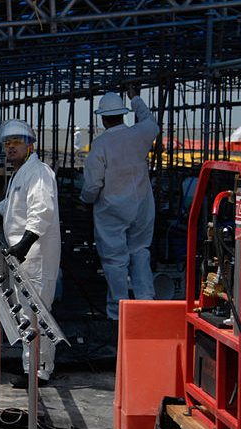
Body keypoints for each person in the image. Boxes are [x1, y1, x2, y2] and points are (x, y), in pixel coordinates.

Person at [80, 87, 159, 320]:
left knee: (115, 260)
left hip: (112, 211)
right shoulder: (140, 134)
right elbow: (150, 121)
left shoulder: (100, 145)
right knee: (140, 251)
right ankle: (146, 302)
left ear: (103, 119)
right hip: (142, 206)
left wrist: (85, 201)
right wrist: (136, 99)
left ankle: (118, 312)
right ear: (123, 115)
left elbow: (92, 185)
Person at [0, 119, 61, 389]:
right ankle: (30, 365)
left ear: (30, 146)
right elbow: (15, 206)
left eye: (16, 142)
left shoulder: (39, 173)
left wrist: (25, 243)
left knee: (36, 314)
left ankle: (38, 371)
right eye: (7, 143)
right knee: (26, 313)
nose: (10, 147)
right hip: (22, 258)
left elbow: (41, 211)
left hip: (35, 257)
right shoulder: (21, 173)